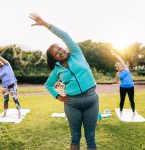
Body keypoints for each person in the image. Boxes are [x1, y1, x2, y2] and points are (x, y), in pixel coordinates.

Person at [29, 13, 99, 150]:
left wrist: (45, 24)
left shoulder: (76, 54)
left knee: (90, 136)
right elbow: (48, 85)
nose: (60, 51)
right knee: (75, 136)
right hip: (72, 104)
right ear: (55, 59)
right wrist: (58, 96)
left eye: (60, 48)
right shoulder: (57, 70)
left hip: (91, 99)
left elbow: (64, 36)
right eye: (56, 53)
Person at [111, 51, 136, 117]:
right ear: (116, 68)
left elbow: (121, 59)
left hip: (131, 87)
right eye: (117, 66)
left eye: (119, 65)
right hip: (123, 88)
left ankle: (133, 112)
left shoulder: (126, 69)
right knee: (122, 100)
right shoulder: (117, 74)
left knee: (131, 100)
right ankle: (121, 111)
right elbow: (116, 80)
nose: (119, 66)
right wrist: (120, 83)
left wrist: (115, 54)